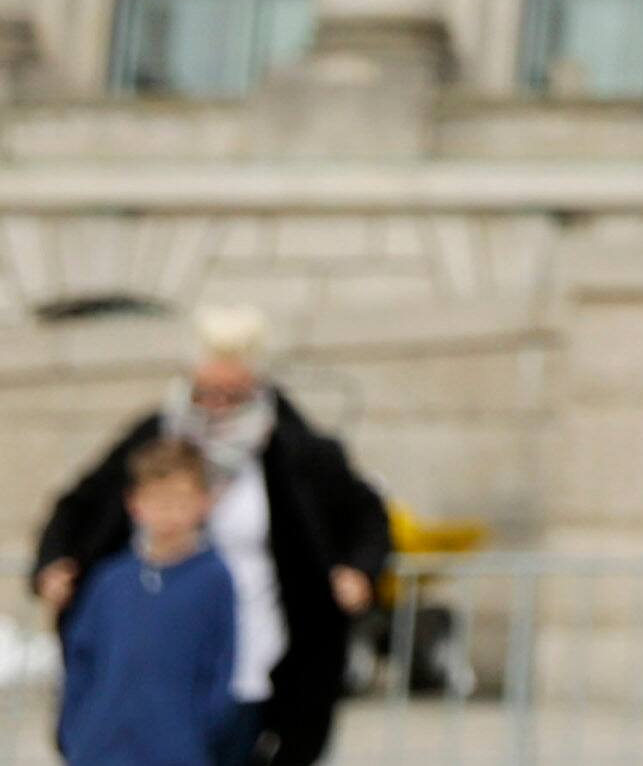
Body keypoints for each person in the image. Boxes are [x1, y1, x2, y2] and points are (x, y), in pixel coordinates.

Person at [33, 309, 388, 766]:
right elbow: (80, 505)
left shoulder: (294, 446)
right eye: (207, 393)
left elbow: (365, 514)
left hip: (254, 659)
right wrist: (55, 563)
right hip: (164, 660)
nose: (217, 406)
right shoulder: (156, 438)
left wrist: (359, 570)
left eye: (232, 394)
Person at [52, 441, 234, 766]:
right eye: (159, 500)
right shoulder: (110, 580)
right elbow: (81, 657)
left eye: (180, 500)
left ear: (204, 503)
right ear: (135, 504)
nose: (169, 512)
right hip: (100, 747)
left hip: (175, 749)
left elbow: (220, 663)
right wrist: (75, 729)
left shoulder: (213, 578)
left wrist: (200, 729)